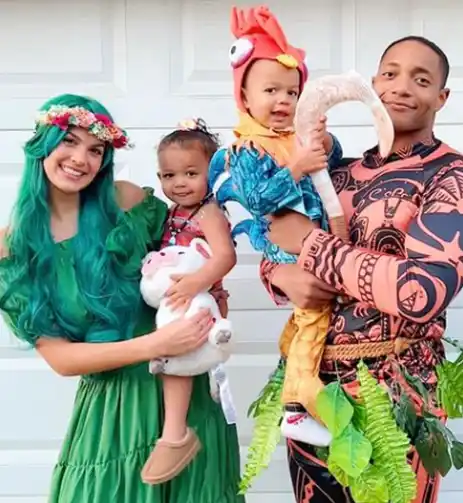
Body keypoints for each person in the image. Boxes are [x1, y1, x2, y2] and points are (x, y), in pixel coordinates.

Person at [259, 36, 463, 502]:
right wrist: (280, 276)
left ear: (441, 98)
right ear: (371, 85)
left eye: (421, 79)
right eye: (390, 73)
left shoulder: (459, 177)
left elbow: (421, 291)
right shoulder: (335, 173)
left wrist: (310, 243)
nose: (401, 87)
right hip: (310, 391)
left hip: (399, 393)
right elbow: (276, 249)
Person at [0, 94, 244, 503]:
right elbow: (61, 358)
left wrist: (210, 290)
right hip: (114, 411)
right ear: (43, 143)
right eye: (69, 142)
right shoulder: (13, 248)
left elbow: (191, 244)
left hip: (183, 395)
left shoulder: (127, 202)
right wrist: (157, 344)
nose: (81, 158)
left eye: (95, 149)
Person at [209, 4, 344, 446]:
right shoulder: (248, 149)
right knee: (315, 316)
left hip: (313, 240)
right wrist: (298, 169)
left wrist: (324, 143)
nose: (283, 101)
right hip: (289, 246)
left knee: (305, 320)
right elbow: (259, 200)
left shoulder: (294, 141)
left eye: (292, 92)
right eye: (271, 90)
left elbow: (334, 163)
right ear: (244, 97)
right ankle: (294, 407)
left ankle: (291, 359)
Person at [140, 118, 237, 485]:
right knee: (173, 351)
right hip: (185, 296)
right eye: (168, 176)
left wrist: (195, 282)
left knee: (176, 354)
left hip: (200, 297)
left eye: (190, 173)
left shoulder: (209, 212)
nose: (178, 183)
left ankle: (175, 434)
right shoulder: (173, 214)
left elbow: (224, 256)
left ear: (212, 174)